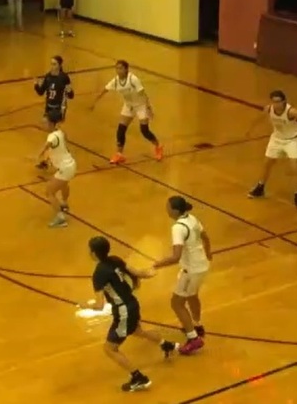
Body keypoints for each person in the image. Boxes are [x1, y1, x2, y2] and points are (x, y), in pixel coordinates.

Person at [80, 236, 178, 392]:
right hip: (132, 303)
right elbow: (138, 272)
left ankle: (138, 377)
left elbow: (99, 305)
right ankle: (167, 345)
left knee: (110, 348)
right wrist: (151, 271)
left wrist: (85, 305)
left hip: (123, 310)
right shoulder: (115, 259)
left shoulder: (99, 273)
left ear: (93, 253)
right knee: (138, 331)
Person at [151, 196, 211, 356]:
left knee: (176, 303)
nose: (166, 209)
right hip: (202, 266)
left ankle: (193, 339)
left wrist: (158, 264)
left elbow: (176, 256)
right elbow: (205, 236)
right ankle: (197, 326)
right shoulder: (192, 218)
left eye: (168, 207)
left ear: (175, 210)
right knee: (192, 296)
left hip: (190, 270)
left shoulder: (178, 227)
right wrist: (208, 252)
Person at [89, 60, 164, 164]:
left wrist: (149, 108)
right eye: (117, 68)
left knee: (144, 130)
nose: (118, 71)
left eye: (120, 68)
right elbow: (105, 90)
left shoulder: (133, 79)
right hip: (129, 105)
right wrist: (95, 102)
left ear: (126, 69)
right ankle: (119, 154)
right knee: (121, 129)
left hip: (140, 105)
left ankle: (158, 146)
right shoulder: (115, 81)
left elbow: (142, 93)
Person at [35, 111, 76, 228]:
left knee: (49, 192)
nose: (43, 125)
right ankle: (64, 203)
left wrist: (36, 156)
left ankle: (60, 218)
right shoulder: (60, 132)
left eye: (45, 123)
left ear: (52, 124)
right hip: (71, 164)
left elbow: (46, 146)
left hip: (65, 167)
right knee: (64, 184)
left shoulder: (52, 136)